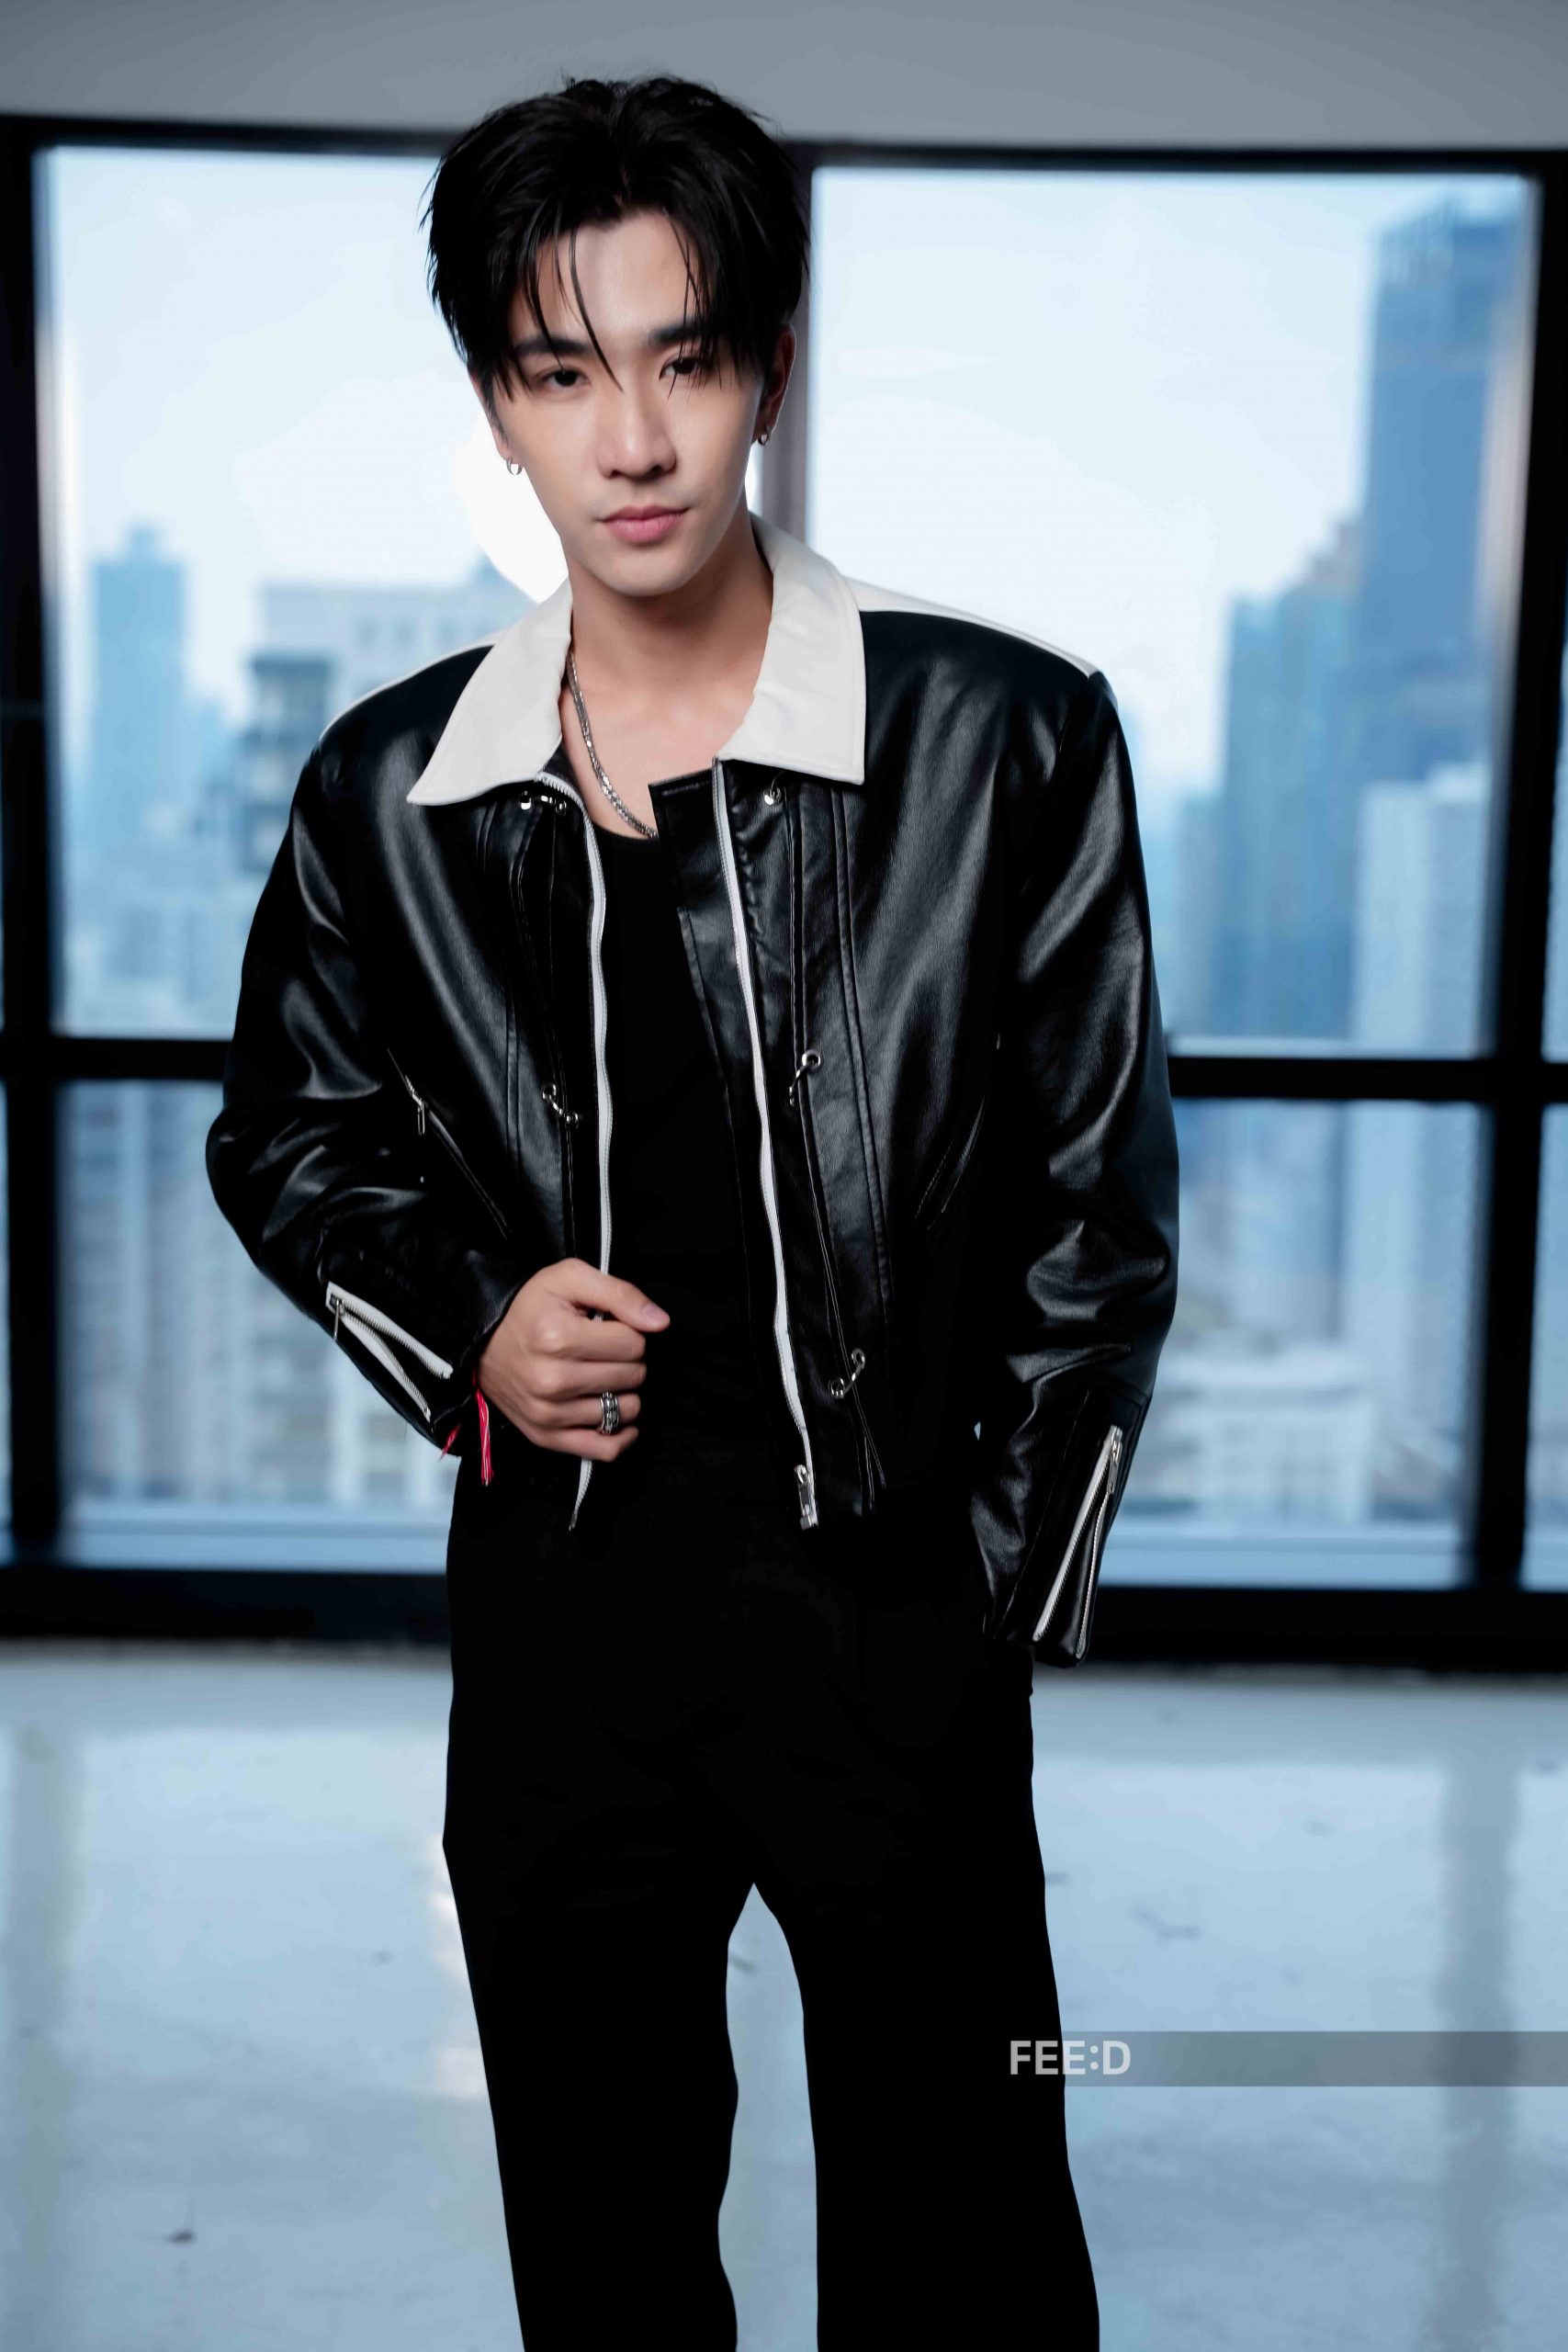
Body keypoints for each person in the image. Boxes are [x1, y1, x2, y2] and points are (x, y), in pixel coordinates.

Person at [207, 69, 1179, 2351]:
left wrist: (983, 1611)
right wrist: (468, 1322)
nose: (631, 438)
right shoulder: (391, 784)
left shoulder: (1003, 737)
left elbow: (1095, 1209)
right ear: (497, 402)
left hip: (888, 1603)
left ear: (767, 367)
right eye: (563, 373)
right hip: (563, 1614)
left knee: (966, 2239)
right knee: (605, 2243)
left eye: (685, 357)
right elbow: (289, 1135)